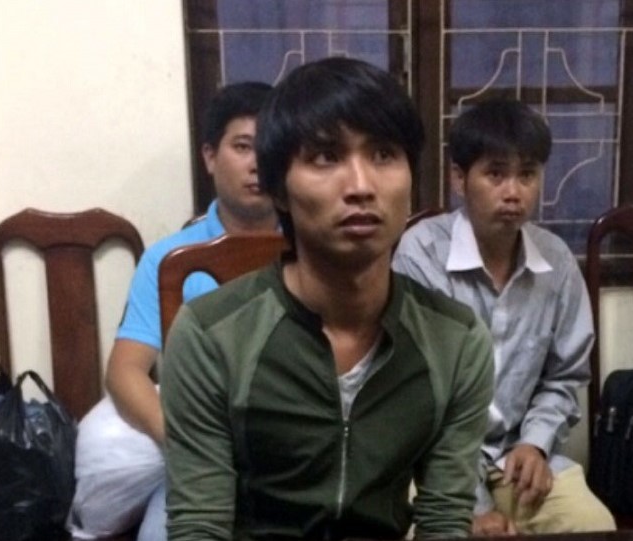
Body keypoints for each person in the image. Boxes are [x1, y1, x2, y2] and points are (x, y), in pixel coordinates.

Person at [160, 57, 494, 541]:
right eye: (325, 157)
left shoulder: (456, 341)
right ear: (278, 190)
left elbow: (444, 521)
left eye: (384, 154)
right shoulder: (211, 335)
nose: (361, 186)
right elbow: (199, 526)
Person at [393, 97, 616, 535]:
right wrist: (472, 509)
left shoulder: (556, 262)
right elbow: (414, 388)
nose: (513, 192)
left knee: (593, 524)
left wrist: (536, 444)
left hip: (518, 455)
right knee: (431, 530)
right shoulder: (422, 254)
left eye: (527, 174)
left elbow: (564, 377)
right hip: (431, 457)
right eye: (495, 174)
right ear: (459, 178)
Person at [71, 82, 277, 541]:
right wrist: (188, 444)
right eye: (243, 146)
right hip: (197, 451)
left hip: (294, 455)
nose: (257, 163)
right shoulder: (171, 260)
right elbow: (125, 370)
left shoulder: (314, 250)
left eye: (269, 147)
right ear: (210, 157)